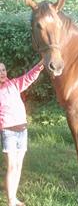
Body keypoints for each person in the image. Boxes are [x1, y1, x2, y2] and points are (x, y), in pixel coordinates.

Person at [0, 60, 44, 206]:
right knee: (12, 166)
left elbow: (29, 77)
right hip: (9, 132)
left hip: (22, 130)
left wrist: (41, 64)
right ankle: (10, 201)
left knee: (18, 166)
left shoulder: (13, 84)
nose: (2, 73)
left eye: (4, 70)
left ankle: (14, 197)